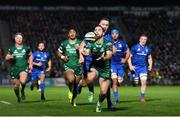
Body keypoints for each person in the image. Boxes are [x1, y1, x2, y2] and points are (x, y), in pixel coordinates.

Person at [77, 18, 116, 109]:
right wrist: (82, 56)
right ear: (99, 24)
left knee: (106, 85)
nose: (105, 26)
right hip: (90, 62)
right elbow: (82, 46)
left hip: (104, 63)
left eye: (107, 25)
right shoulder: (91, 35)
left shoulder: (109, 37)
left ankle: (109, 103)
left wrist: (108, 53)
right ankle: (81, 85)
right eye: (103, 24)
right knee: (88, 80)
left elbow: (113, 50)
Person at [57, 27, 82, 107]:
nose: (72, 33)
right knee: (71, 80)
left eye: (73, 32)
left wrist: (79, 50)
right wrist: (63, 57)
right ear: (68, 34)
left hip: (78, 66)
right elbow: (58, 52)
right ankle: (70, 90)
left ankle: (73, 100)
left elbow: (86, 53)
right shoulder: (64, 43)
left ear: (76, 34)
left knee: (76, 85)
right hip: (68, 65)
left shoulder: (80, 42)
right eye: (70, 32)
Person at [5, 32, 33, 102]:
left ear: (22, 39)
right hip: (14, 69)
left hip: (23, 67)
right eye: (18, 38)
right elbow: (6, 58)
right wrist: (10, 57)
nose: (19, 39)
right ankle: (18, 97)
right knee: (16, 86)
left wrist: (30, 64)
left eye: (20, 38)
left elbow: (30, 55)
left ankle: (22, 91)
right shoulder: (11, 49)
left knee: (23, 82)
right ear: (15, 39)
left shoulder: (26, 48)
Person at [128, 34, 153, 102]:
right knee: (135, 83)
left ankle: (142, 98)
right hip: (135, 67)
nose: (143, 41)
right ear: (139, 39)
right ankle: (132, 77)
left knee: (144, 83)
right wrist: (130, 66)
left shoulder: (147, 49)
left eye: (145, 39)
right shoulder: (135, 47)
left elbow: (149, 58)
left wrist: (150, 65)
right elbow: (129, 57)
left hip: (143, 68)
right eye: (142, 39)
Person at [110, 29, 130, 103]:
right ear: (111, 35)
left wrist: (125, 59)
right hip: (112, 65)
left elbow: (128, 52)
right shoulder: (108, 43)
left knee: (119, 81)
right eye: (113, 34)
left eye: (116, 33)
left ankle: (114, 85)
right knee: (114, 81)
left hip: (120, 65)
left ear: (118, 34)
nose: (114, 35)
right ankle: (116, 98)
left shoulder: (123, 43)